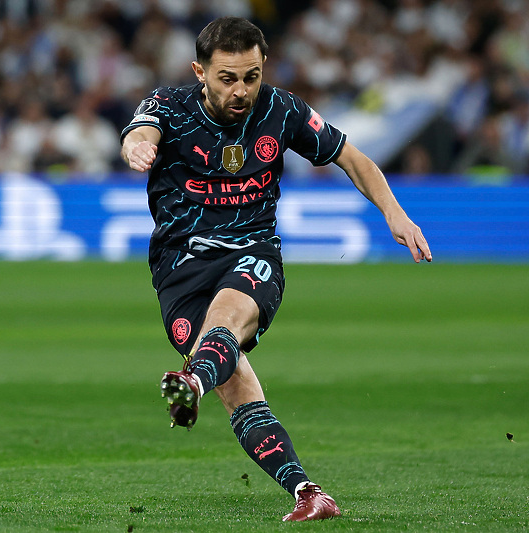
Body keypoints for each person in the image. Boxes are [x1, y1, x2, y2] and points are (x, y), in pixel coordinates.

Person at [120, 16, 432, 522]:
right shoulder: (168, 107)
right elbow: (141, 131)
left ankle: (192, 382)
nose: (241, 90)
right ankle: (309, 493)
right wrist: (138, 146)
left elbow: (351, 157)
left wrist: (394, 212)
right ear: (200, 71)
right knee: (239, 391)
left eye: (251, 75)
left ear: (263, 68)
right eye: (227, 78)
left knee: (223, 325)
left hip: (253, 254)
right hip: (179, 267)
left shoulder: (281, 109)